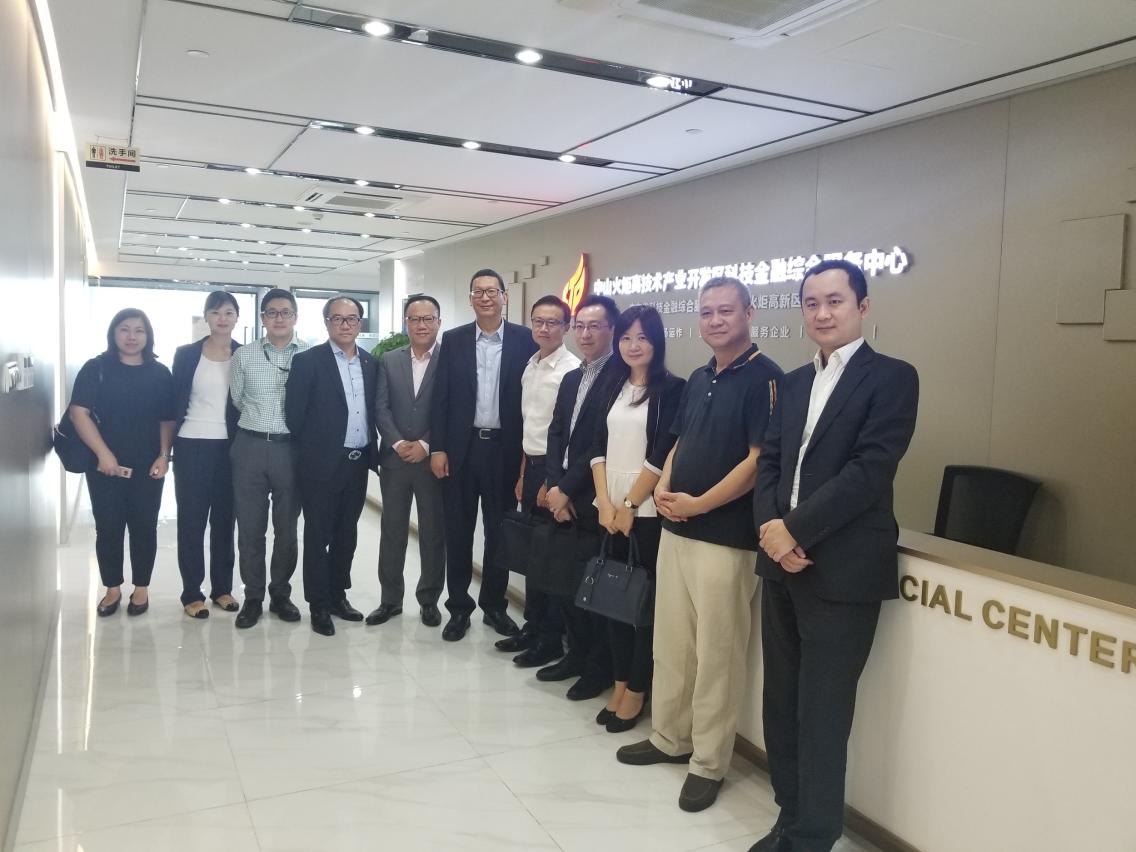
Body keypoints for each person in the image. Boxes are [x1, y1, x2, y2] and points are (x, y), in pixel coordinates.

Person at [749, 260, 919, 852]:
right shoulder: (794, 381)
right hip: (780, 564)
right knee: (781, 703)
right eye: (811, 303)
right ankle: (790, 815)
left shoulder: (892, 378)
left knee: (822, 712)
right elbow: (771, 463)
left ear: (862, 307)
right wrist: (771, 530)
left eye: (835, 301)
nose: (822, 313)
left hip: (842, 570)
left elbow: (869, 471)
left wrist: (794, 530)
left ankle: (813, 836)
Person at [616, 276, 782, 815]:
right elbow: (680, 441)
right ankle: (670, 736)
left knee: (717, 655)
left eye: (725, 311)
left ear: (749, 313)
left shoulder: (765, 377)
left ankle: (708, 762)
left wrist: (700, 504)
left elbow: (759, 461)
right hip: (677, 530)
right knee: (672, 643)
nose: (715, 320)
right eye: (707, 312)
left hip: (726, 539)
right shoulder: (699, 376)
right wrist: (665, 489)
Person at [429, 269, 538, 641]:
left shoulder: (525, 340)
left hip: (504, 451)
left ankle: (494, 606)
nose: (486, 297)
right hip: (462, 450)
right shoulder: (454, 339)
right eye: (479, 291)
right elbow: (441, 398)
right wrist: (438, 448)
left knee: (499, 532)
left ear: (504, 296)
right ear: (471, 298)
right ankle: (459, 608)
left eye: (492, 291)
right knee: (458, 532)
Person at [591, 305, 685, 731]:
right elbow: (596, 445)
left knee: (641, 605)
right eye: (626, 337)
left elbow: (661, 452)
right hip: (609, 508)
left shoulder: (672, 389)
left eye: (642, 337)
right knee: (613, 601)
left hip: (645, 513)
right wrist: (605, 503)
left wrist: (629, 506)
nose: (633, 345)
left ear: (656, 342)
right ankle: (619, 682)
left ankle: (637, 690)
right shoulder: (611, 383)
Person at [539, 294, 622, 700]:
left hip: (593, 497)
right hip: (563, 495)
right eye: (581, 326)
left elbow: (598, 443)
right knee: (565, 582)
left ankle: (597, 668)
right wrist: (554, 485)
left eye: (596, 326)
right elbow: (556, 432)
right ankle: (575, 655)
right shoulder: (573, 376)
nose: (586, 334)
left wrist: (567, 489)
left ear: (612, 330)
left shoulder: (621, 377)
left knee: (593, 587)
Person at [69, 308, 175, 617]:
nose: (131, 337)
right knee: (108, 526)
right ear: (113, 333)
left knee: (144, 526)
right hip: (103, 465)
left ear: (148, 336)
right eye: (124, 329)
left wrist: (164, 455)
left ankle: (141, 588)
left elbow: (167, 419)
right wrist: (103, 454)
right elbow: (78, 413)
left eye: (139, 330)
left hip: (147, 464)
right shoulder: (96, 368)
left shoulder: (160, 373)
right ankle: (112, 588)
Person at [285, 296, 379, 637]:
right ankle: (318, 604)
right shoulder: (307, 362)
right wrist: (316, 451)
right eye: (337, 318)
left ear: (360, 324)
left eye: (351, 319)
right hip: (321, 465)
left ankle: (339, 595)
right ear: (327, 323)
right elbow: (294, 416)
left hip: (357, 462)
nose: (345, 324)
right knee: (317, 535)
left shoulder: (370, 363)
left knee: (346, 534)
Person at [496, 294, 580, 665]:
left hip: (553, 471)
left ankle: (550, 638)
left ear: (566, 327)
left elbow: (568, 434)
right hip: (530, 467)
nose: (544, 328)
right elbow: (528, 427)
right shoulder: (530, 365)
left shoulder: (570, 371)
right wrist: (522, 474)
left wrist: (552, 481)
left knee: (552, 558)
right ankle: (532, 628)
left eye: (553, 322)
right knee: (534, 553)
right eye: (538, 321)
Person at [229, 289, 309, 629]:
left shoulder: (310, 354)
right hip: (249, 446)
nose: (279, 318)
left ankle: (280, 594)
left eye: (285, 312)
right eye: (272, 312)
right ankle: (253, 597)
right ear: (262, 317)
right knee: (250, 528)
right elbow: (237, 399)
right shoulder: (244, 355)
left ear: (295, 317)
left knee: (287, 529)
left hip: (291, 450)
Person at [367, 294, 446, 629]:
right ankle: (390, 600)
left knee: (433, 534)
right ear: (406, 323)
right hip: (395, 461)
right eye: (415, 319)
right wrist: (399, 443)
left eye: (428, 319)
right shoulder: (389, 360)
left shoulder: (449, 359)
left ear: (439, 322)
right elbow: (380, 407)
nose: (421, 325)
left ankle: (429, 600)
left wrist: (426, 445)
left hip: (432, 462)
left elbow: (452, 408)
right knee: (392, 531)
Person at [171, 291, 242, 619]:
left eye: (228, 312)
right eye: (215, 312)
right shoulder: (186, 354)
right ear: (206, 317)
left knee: (225, 521)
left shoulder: (245, 355)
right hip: (191, 444)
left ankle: (222, 589)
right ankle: (191, 593)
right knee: (192, 520)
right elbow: (174, 401)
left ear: (236, 317)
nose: (222, 319)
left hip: (230, 447)